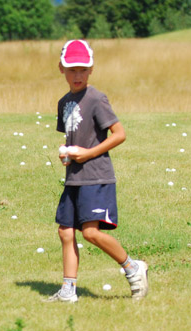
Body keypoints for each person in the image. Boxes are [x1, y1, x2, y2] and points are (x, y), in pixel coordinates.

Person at [47, 39, 149, 303]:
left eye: (82, 69)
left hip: (96, 175)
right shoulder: (64, 102)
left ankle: (133, 267)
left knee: (90, 232)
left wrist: (88, 154)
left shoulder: (95, 98)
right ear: (61, 69)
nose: (77, 75)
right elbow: (76, 137)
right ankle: (68, 291)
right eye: (71, 69)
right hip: (74, 177)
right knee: (65, 231)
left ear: (91, 69)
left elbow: (119, 134)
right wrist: (69, 155)